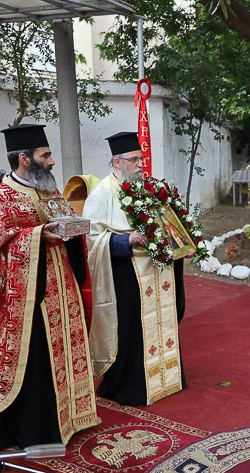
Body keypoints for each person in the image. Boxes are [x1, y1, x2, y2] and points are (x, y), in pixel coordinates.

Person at [0, 124, 100, 448]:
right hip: (29, 297)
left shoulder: (48, 189)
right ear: (25, 159)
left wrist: (72, 230)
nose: (52, 161)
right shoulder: (1, 196)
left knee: (66, 348)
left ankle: (72, 415)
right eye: (46, 155)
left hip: (62, 286)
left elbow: (66, 219)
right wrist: (38, 236)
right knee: (38, 360)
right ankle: (39, 428)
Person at [82, 132, 186, 406]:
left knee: (160, 320)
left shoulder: (145, 187)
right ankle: (132, 385)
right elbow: (91, 238)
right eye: (134, 160)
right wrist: (125, 240)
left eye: (141, 158)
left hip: (155, 269)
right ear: (117, 162)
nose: (141, 164)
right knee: (132, 328)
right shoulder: (103, 192)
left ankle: (167, 376)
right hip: (126, 272)